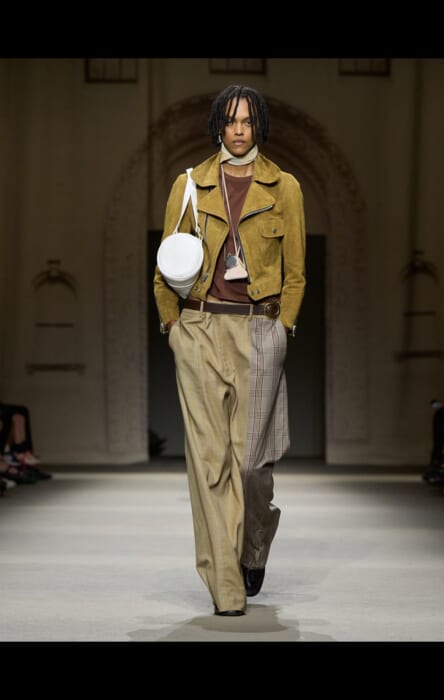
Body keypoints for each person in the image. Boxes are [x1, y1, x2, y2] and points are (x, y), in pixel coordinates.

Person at [154, 85, 306, 616]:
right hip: (199, 329)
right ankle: (226, 587)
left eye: (248, 121)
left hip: (260, 330)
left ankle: (253, 547)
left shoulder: (285, 187)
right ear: (218, 125)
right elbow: (163, 269)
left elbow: (296, 273)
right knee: (209, 464)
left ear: (259, 126)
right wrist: (173, 326)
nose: (239, 130)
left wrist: (282, 329)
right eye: (231, 121)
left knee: (250, 465)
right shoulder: (189, 184)